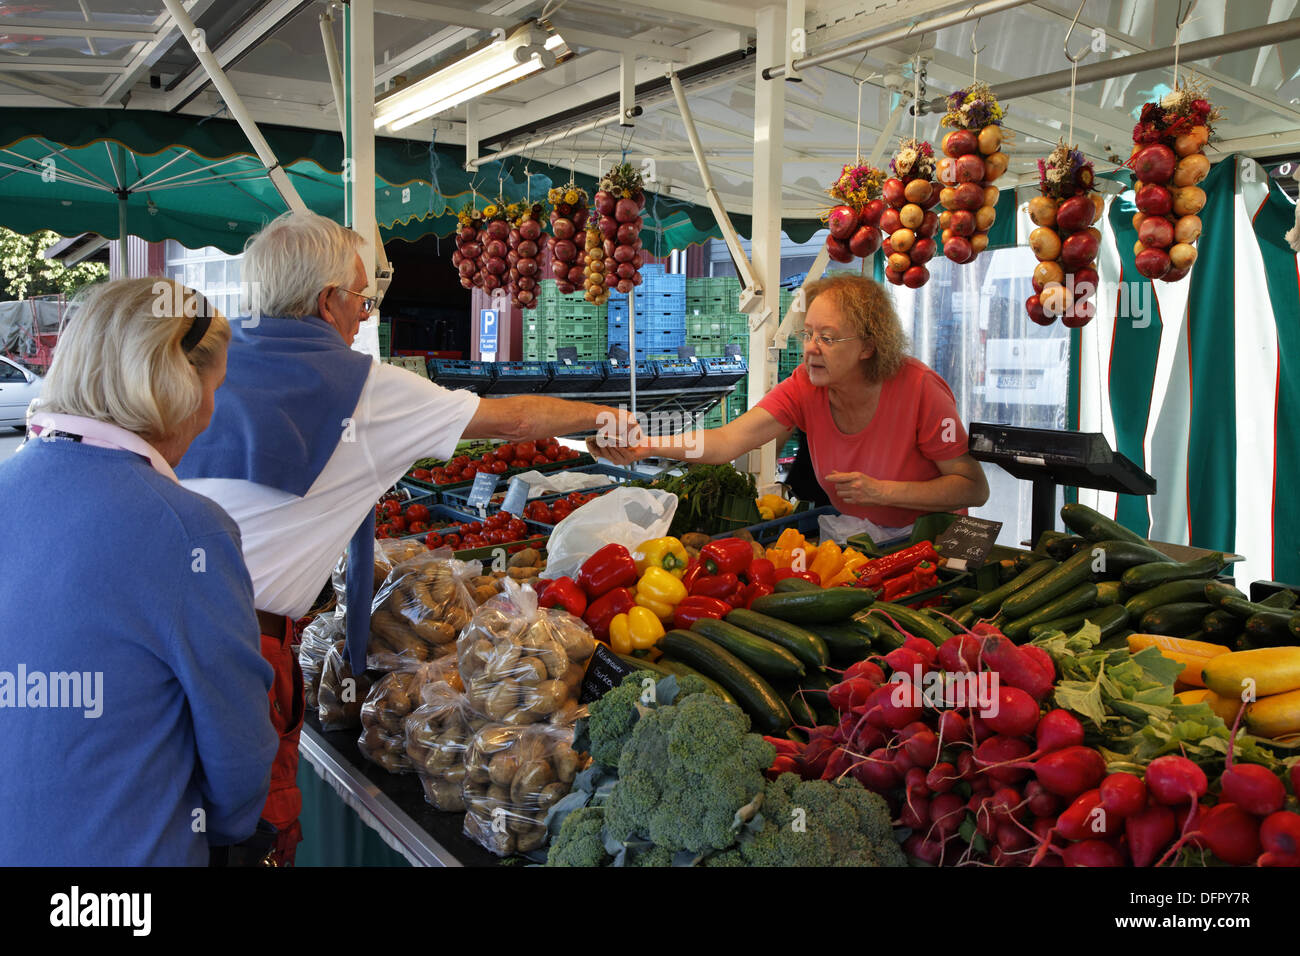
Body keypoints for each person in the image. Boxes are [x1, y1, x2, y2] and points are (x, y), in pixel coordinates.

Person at [176, 210, 641, 865]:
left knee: (175, 810)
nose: (365, 317)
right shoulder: (356, 388)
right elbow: (507, 418)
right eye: (362, 299)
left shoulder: (207, 365)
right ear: (325, 300)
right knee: (251, 827)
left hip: (162, 628)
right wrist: (600, 416)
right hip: (238, 646)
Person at [0, 279, 276, 866]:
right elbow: (240, 750)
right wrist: (230, 830)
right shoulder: (189, 531)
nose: (210, 413)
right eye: (214, 388)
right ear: (175, 387)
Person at [591, 273, 989, 540]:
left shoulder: (921, 391)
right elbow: (728, 441)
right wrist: (650, 445)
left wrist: (882, 491)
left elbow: (972, 487)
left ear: (869, 346)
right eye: (808, 333)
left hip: (933, 543)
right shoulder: (805, 386)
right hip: (860, 537)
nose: (811, 347)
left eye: (828, 338)